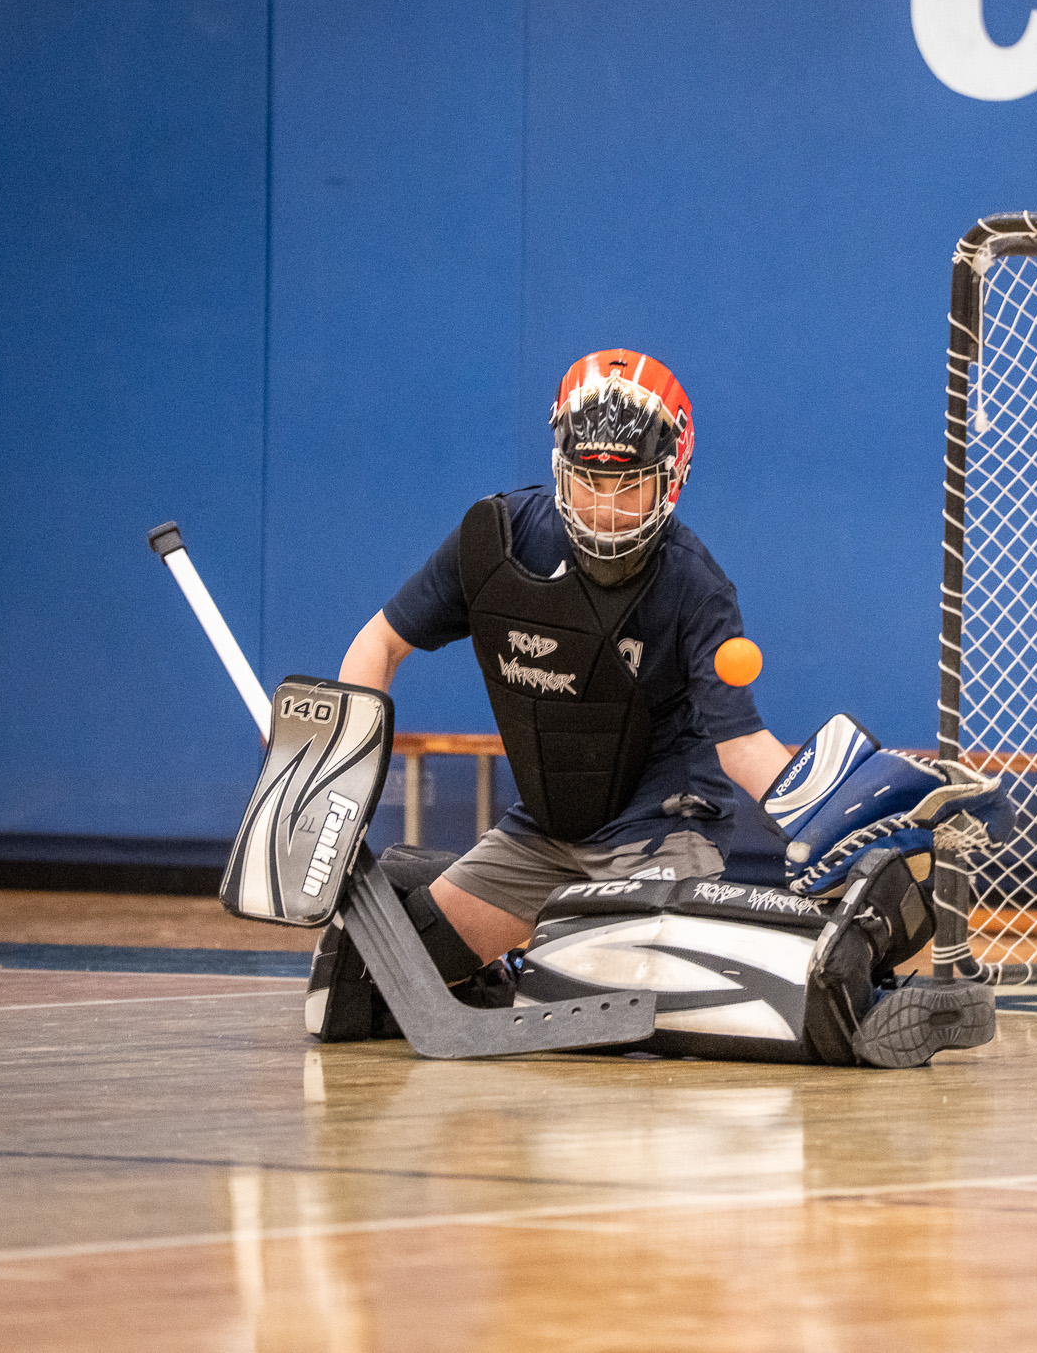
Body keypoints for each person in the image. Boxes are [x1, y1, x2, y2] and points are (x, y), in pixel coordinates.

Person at [337, 349, 799, 982]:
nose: (605, 510)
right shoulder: (498, 543)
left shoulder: (697, 588)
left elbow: (742, 745)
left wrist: (824, 825)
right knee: (381, 980)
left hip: (660, 833)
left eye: (629, 486)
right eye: (588, 482)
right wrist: (341, 781)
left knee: (614, 993)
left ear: (671, 478)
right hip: (543, 832)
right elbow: (379, 643)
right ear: (560, 469)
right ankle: (507, 970)